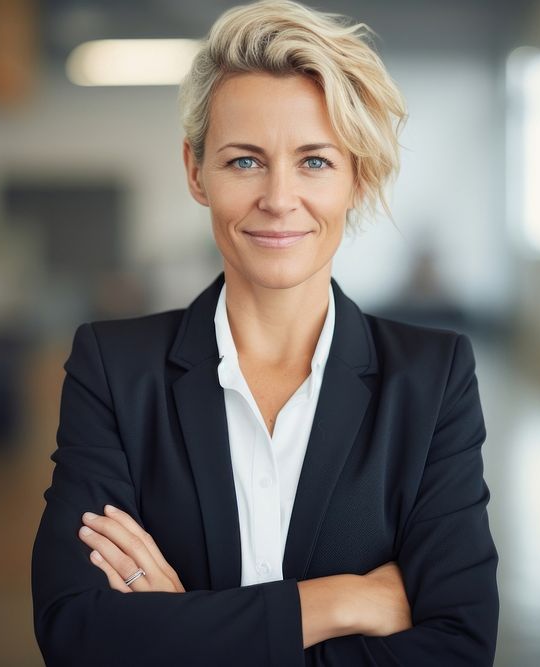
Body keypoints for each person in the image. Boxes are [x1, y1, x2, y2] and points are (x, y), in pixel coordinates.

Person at [30, 1, 499, 664]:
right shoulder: (113, 370)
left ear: (356, 178)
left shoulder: (433, 379)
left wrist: (180, 627)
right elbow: (76, 631)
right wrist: (334, 602)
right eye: (245, 161)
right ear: (197, 172)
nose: (279, 198)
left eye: (314, 161)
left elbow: (457, 647)